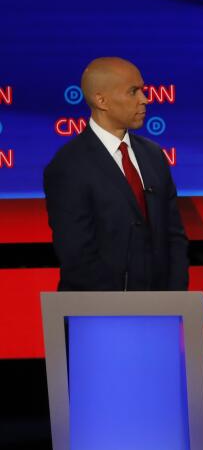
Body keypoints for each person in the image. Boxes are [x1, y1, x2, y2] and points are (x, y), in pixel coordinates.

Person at [44, 57, 187, 291]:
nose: (145, 99)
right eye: (133, 92)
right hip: (99, 314)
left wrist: (174, 300)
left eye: (143, 90)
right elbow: (77, 255)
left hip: (162, 312)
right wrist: (125, 309)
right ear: (101, 100)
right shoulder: (68, 166)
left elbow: (174, 237)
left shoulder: (154, 156)